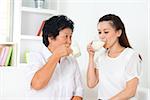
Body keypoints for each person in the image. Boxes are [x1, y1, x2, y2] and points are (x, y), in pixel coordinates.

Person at [27, 15, 83, 100]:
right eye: (66, 36)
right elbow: (37, 85)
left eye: (70, 37)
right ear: (51, 37)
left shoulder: (72, 61)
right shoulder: (35, 57)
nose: (69, 41)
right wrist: (56, 56)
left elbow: (79, 91)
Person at [87, 14, 142, 100]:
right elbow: (91, 84)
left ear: (118, 32)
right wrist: (91, 56)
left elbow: (131, 91)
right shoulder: (101, 57)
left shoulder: (130, 55)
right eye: (99, 32)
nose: (101, 36)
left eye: (106, 32)